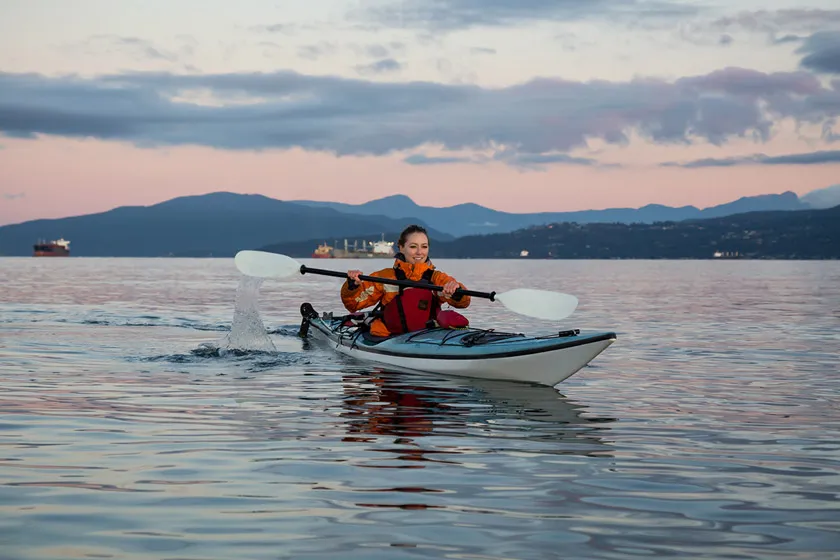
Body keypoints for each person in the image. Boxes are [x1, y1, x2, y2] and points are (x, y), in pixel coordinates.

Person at [341, 224, 470, 337]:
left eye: (424, 247)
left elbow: (463, 302)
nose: (419, 252)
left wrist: (456, 291)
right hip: (389, 337)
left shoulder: (437, 278)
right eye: (413, 247)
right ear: (401, 247)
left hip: (427, 337)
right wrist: (352, 285)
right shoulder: (385, 277)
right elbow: (353, 304)